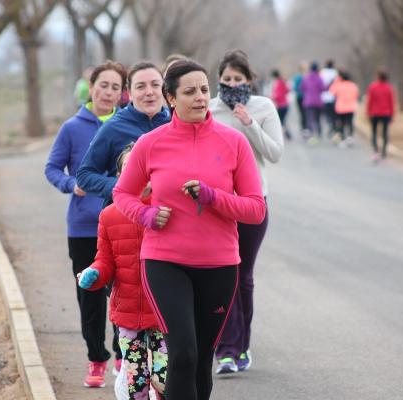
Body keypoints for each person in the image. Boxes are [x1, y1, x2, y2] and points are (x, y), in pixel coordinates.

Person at [113, 59, 267, 400]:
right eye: (189, 91)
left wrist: (214, 198)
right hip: (165, 262)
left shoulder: (234, 143)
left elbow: (256, 209)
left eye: (204, 90)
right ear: (171, 98)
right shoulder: (150, 144)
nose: (200, 97)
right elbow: (122, 193)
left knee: (200, 364)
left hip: (219, 265)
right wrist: (147, 215)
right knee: (182, 353)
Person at [44, 60, 127, 389]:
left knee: (123, 294)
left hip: (123, 223)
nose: (108, 92)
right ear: (91, 88)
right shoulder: (71, 128)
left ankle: (125, 355)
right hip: (83, 227)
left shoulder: (126, 125)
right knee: (90, 297)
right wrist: (71, 185)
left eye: (115, 87)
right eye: (103, 85)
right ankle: (97, 359)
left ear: (123, 94)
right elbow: (52, 169)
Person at [209, 51, 283, 375]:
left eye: (239, 79)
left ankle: (242, 346)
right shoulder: (209, 108)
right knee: (224, 277)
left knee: (243, 278)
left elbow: (274, 153)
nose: (232, 84)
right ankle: (226, 350)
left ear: (249, 81)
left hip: (253, 203)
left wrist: (249, 124)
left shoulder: (263, 107)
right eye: (227, 79)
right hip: (217, 205)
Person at [77, 144, 167, 400]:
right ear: (119, 177)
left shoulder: (167, 211)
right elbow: (104, 261)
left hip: (164, 312)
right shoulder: (109, 216)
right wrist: (93, 275)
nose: (138, 174)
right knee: (137, 383)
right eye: (130, 169)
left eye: (144, 168)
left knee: (165, 380)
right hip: (127, 314)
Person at [76, 61, 170, 206]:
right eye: (140, 86)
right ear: (129, 93)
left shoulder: (176, 123)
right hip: (125, 218)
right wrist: (123, 185)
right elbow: (84, 176)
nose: (149, 92)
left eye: (155, 85)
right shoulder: (113, 128)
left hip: (170, 216)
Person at [366, 68, 395, 162]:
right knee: (385, 132)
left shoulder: (372, 87)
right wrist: (392, 114)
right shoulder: (389, 87)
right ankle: (384, 151)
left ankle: (375, 150)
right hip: (386, 113)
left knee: (374, 132)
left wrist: (368, 112)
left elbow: (369, 101)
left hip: (374, 113)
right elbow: (392, 102)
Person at [329, 70, 359, 148]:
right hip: (351, 107)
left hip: (341, 107)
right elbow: (357, 95)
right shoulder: (353, 85)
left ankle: (342, 139)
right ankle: (350, 137)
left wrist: (337, 80)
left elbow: (331, 91)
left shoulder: (339, 85)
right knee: (350, 122)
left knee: (341, 124)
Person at [300, 61, 325, 143]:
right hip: (318, 101)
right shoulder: (319, 78)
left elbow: (302, 88)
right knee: (317, 118)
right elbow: (323, 88)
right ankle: (318, 133)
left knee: (309, 118)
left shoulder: (306, 78)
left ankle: (310, 133)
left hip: (308, 101)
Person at [271, 69, 291, 140]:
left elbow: (278, 95)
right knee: (282, 121)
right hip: (286, 104)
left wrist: (272, 98)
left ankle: (285, 136)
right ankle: (288, 135)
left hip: (281, 105)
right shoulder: (283, 81)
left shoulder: (278, 83)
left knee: (280, 122)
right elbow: (287, 90)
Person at [320, 59, 338, 136]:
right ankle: (332, 126)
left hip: (324, 96)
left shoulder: (322, 72)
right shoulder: (335, 73)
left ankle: (328, 124)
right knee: (332, 114)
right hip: (333, 96)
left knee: (326, 114)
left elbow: (320, 83)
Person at [293, 61, 308, 133]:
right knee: (304, 113)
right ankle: (304, 128)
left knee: (303, 113)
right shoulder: (303, 77)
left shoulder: (298, 77)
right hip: (303, 97)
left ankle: (304, 128)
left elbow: (295, 88)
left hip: (301, 97)